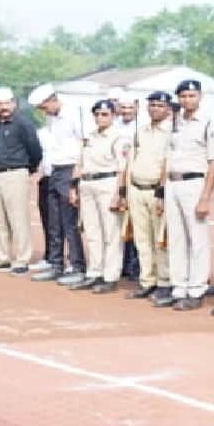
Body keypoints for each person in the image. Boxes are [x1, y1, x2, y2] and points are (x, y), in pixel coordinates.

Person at [163, 78, 214, 310]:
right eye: (183, 96)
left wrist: (205, 197)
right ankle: (179, 287)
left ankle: (196, 289)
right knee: (176, 238)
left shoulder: (209, 123)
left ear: (200, 97)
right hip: (173, 182)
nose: (187, 100)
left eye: (192, 96)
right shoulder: (175, 122)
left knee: (196, 239)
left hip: (195, 183)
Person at [70, 99, 130, 294]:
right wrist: (74, 187)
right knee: (92, 232)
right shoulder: (89, 137)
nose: (100, 118)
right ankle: (94, 272)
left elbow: (123, 168)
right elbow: (79, 163)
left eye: (104, 114)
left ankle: (110, 276)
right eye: (96, 114)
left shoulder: (118, 138)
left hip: (108, 183)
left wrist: (119, 194)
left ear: (113, 116)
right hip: (87, 183)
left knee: (111, 233)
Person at [0, 87, 41, 274]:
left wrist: (28, 168)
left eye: (7, 103)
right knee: (0, 219)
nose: (4, 107)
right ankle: (2, 257)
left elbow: (35, 150)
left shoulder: (23, 123)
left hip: (16, 172)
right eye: (0, 104)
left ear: (14, 103)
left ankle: (22, 258)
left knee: (18, 218)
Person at [31, 87, 88, 285]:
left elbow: (84, 144)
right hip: (54, 171)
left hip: (69, 169)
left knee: (69, 221)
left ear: (52, 99)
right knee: (54, 221)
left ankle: (78, 265)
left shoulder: (73, 114)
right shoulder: (51, 119)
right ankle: (56, 263)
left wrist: (76, 177)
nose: (43, 111)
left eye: (44, 106)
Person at [121, 91, 174, 299]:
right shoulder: (140, 131)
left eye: (160, 105)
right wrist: (125, 190)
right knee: (142, 240)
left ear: (168, 108)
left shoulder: (171, 132)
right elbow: (130, 161)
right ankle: (147, 280)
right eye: (152, 105)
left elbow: (167, 163)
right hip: (136, 188)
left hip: (156, 191)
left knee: (160, 239)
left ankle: (164, 281)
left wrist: (162, 191)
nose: (155, 109)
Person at [112, 90, 143, 283]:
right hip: (117, 178)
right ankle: (122, 264)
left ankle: (136, 265)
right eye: (123, 108)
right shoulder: (113, 127)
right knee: (119, 223)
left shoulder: (143, 127)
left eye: (130, 107)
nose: (126, 111)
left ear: (137, 108)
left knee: (137, 224)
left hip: (137, 180)